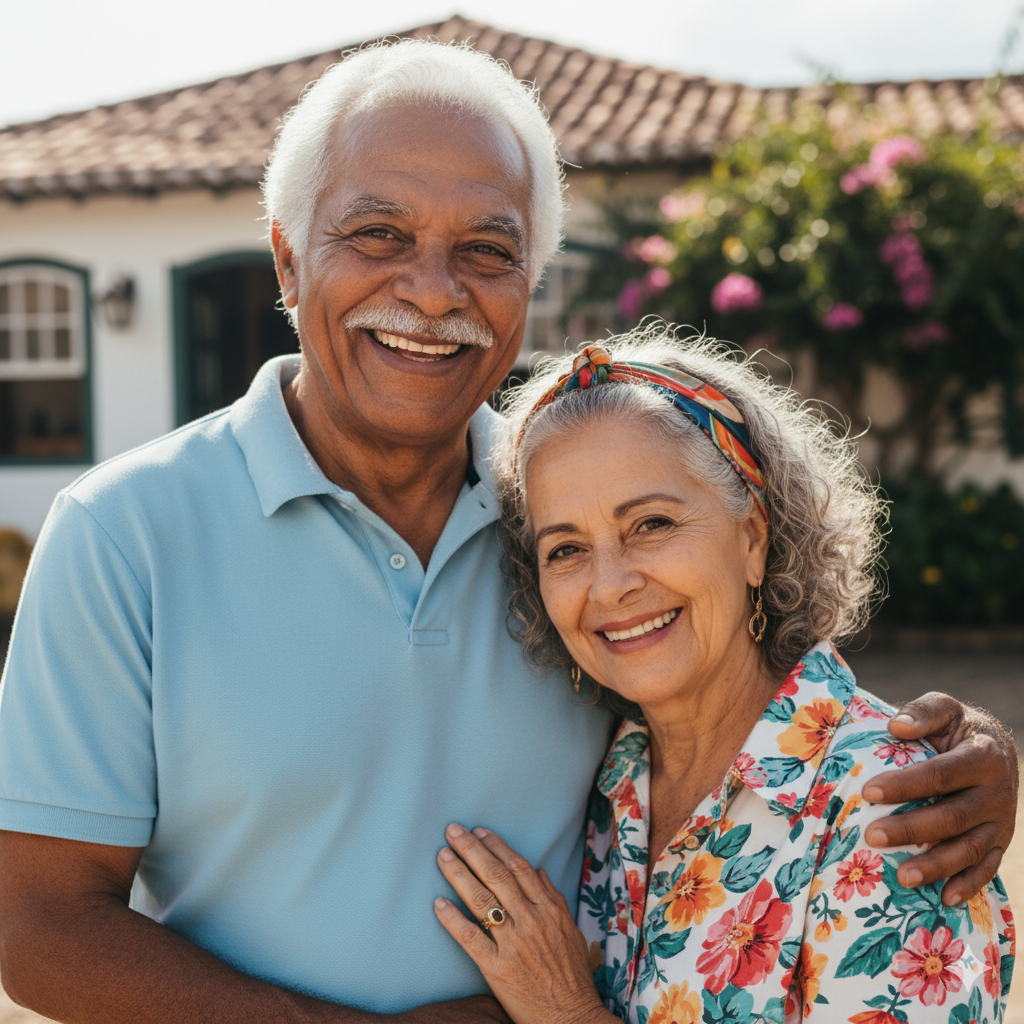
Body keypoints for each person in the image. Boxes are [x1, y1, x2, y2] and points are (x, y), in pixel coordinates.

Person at [0, 41, 1015, 1024]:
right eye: (378, 235)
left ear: (528, 284)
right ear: (285, 257)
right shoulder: (122, 534)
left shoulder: (559, 519)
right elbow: (34, 922)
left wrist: (958, 759)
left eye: (486, 250)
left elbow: (746, 703)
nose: (434, 291)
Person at [433, 336, 1016, 1023]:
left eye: (651, 523)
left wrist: (566, 1012)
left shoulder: (889, 809)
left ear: (753, 537)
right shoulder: (606, 784)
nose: (611, 585)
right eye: (566, 549)